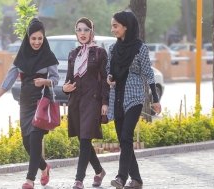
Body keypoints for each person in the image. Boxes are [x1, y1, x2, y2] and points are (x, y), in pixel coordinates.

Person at [0, 18, 59, 189]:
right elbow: (9, 79)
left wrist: (45, 82)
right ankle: (44, 167)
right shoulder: (21, 56)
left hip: (41, 103)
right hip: (25, 103)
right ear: (28, 38)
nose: (37, 42)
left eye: (40, 38)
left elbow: (55, 79)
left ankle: (29, 179)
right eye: (33, 38)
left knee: (34, 140)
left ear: (44, 38)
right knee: (26, 142)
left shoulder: (48, 56)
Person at [107, 11, 162, 189]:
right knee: (123, 140)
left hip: (134, 97)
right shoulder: (112, 49)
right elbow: (109, 70)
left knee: (126, 136)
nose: (112, 29)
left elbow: (149, 73)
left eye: (115, 26)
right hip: (117, 97)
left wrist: (155, 98)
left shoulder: (140, 48)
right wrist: (109, 77)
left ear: (126, 26)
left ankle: (121, 177)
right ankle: (136, 179)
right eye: (112, 26)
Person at [62, 17, 109, 189]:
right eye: (79, 30)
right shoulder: (73, 54)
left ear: (91, 32)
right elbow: (68, 80)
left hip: (93, 100)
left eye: (86, 30)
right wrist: (64, 88)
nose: (82, 33)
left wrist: (105, 102)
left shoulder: (99, 53)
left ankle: (78, 179)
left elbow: (104, 79)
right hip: (75, 100)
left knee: (84, 140)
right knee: (84, 140)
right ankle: (99, 171)